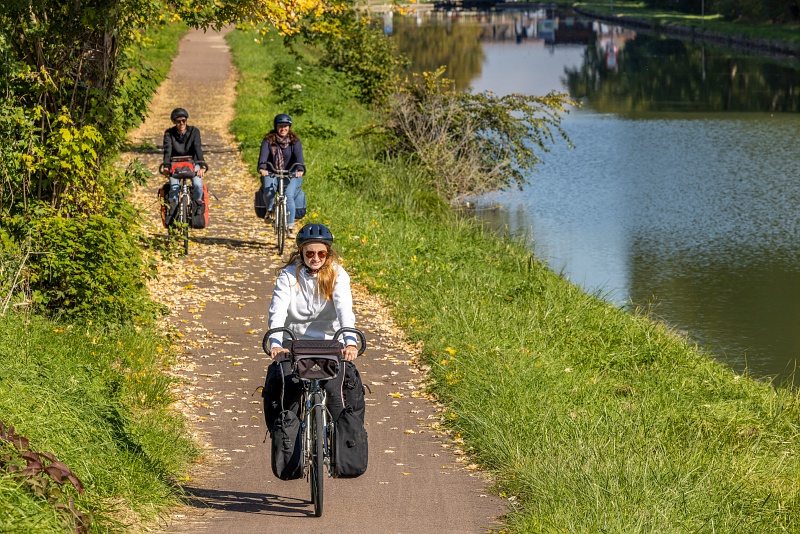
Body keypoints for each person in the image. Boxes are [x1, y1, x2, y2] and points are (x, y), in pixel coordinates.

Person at [266, 223, 358, 423]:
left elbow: (344, 309)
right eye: (310, 253)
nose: (315, 258)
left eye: (321, 253)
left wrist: (350, 341)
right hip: (295, 344)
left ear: (328, 253)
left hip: (331, 344)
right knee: (288, 395)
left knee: (337, 395)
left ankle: (340, 444)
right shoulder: (289, 275)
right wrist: (275, 343)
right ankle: (291, 443)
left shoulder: (338, 274)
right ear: (301, 252)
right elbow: (277, 310)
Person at [258, 113, 305, 233]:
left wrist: (300, 170)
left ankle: (290, 227)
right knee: (269, 190)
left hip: (291, 173)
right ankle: (269, 210)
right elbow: (263, 157)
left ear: (289, 127)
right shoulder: (268, 140)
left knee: (289, 195)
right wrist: (262, 168)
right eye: (280, 126)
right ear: (276, 126)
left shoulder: (294, 141)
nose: (283, 129)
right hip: (272, 171)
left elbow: (299, 159)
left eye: (286, 126)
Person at [160, 107, 207, 211]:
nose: (181, 124)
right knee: (174, 187)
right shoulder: (169, 134)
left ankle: (197, 206)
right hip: (175, 164)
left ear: (187, 120)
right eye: (178, 121)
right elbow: (167, 152)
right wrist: (166, 167)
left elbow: (197, 148)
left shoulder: (194, 132)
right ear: (174, 122)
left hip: (192, 163)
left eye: (183, 120)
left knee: (198, 185)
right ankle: (173, 209)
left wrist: (202, 166)